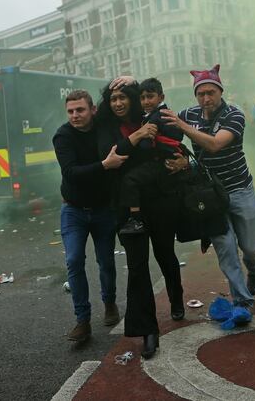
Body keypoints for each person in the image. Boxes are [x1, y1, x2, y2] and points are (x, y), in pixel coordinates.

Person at [162, 64, 255, 306]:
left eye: (211, 92)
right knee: (226, 249)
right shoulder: (188, 114)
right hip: (210, 196)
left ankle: (254, 270)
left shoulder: (235, 115)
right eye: (201, 94)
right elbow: (165, 132)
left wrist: (183, 127)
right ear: (195, 95)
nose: (206, 98)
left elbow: (215, 145)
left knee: (252, 249)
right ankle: (242, 300)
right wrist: (182, 161)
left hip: (239, 188)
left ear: (221, 91)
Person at [97, 78, 185, 359]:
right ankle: (148, 330)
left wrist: (183, 162)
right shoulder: (106, 127)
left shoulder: (151, 115)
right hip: (127, 207)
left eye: (124, 97)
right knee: (137, 267)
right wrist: (134, 138)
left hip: (160, 200)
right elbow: (113, 156)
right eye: (113, 99)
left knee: (165, 254)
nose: (119, 103)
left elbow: (177, 143)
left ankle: (176, 296)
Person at [53, 89, 126, 343]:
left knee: (106, 261)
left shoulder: (103, 127)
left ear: (92, 110)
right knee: (74, 261)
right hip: (73, 209)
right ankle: (82, 320)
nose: (75, 115)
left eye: (80, 110)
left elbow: (116, 100)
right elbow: (71, 172)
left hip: (103, 209)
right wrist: (105, 165)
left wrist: (125, 82)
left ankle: (110, 303)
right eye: (71, 111)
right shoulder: (62, 136)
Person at [117, 77, 185, 236]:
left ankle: (135, 219)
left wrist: (139, 141)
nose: (146, 101)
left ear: (161, 97)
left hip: (160, 162)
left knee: (130, 180)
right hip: (165, 161)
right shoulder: (161, 114)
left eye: (150, 96)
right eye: (142, 98)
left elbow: (146, 145)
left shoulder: (156, 116)